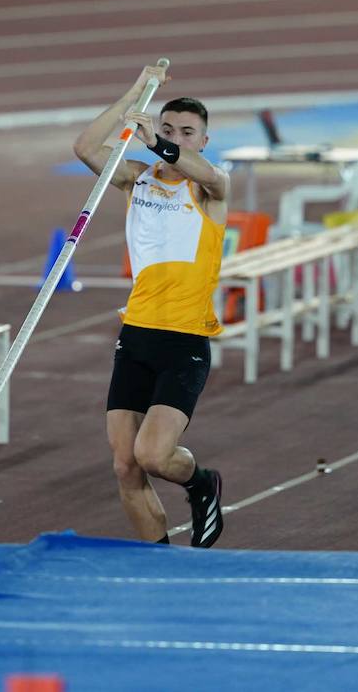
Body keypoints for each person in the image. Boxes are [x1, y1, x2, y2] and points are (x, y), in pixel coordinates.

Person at [72, 66, 228, 547]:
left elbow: (206, 174)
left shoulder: (210, 187)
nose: (175, 138)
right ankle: (157, 563)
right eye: (167, 128)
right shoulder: (134, 180)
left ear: (203, 140)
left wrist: (157, 143)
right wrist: (136, 93)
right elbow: (85, 148)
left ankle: (202, 483)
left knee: (155, 457)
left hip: (184, 340)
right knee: (125, 465)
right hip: (137, 333)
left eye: (187, 133)